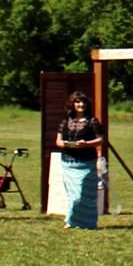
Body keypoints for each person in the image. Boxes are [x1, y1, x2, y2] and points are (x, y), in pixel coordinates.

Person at [54, 91, 104, 229]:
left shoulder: (92, 121)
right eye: (77, 102)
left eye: (83, 102)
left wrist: (86, 144)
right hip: (68, 162)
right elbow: (58, 141)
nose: (80, 104)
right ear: (72, 104)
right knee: (73, 194)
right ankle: (71, 221)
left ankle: (87, 222)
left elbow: (100, 140)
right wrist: (66, 144)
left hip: (86, 162)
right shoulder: (65, 121)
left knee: (83, 194)